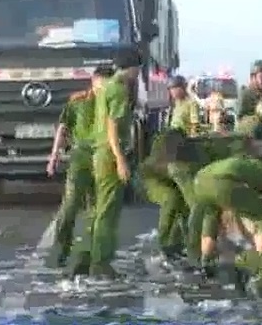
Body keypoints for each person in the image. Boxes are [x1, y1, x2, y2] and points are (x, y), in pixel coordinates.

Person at [71, 52, 140, 277]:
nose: (137, 75)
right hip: (110, 154)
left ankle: (85, 256)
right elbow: (112, 126)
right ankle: (100, 263)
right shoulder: (119, 90)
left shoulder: (106, 88)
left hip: (99, 152)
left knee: (99, 208)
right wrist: (121, 160)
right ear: (131, 69)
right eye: (136, 70)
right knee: (108, 210)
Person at [46, 65, 114, 267]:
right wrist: (54, 156)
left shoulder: (112, 102)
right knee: (70, 204)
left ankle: (87, 255)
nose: (104, 88)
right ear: (94, 81)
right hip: (81, 156)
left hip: (103, 157)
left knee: (95, 209)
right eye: (102, 83)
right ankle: (61, 249)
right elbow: (63, 128)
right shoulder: (78, 101)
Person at [189, 152, 262, 273]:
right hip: (224, 183)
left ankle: (205, 262)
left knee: (210, 219)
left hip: (199, 182)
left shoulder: (242, 162)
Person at [142, 75, 199, 259]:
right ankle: (167, 241)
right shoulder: (174, 107)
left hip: (181, 146)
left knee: (180, 202)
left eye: (176, 88)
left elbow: (193, 128)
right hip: (167, 156)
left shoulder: (190, 104)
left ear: (183, 88)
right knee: (173, 200)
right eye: (171, 89)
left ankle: (177, 241)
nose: (173, 92)